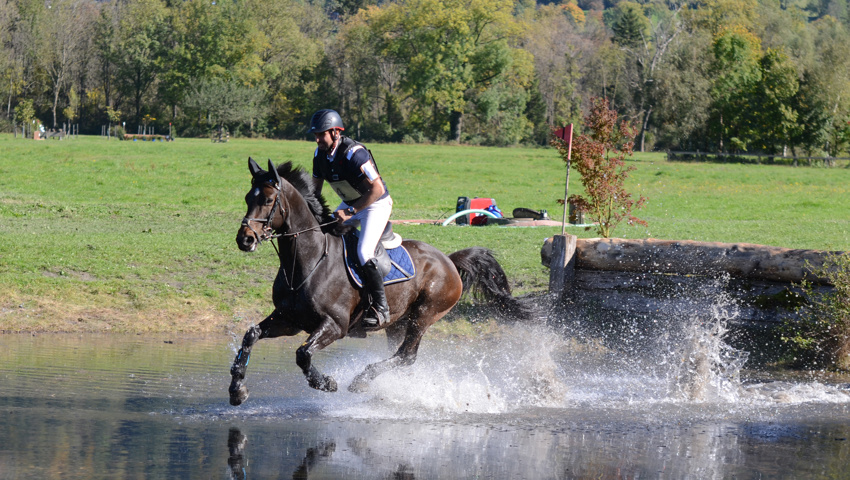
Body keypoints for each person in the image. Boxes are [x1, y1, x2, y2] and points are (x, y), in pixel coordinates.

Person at [309, 109, 393, 329]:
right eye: (316, 135)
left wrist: (350, 212)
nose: (317, 139)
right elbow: (314, 193)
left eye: (321, 134)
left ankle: (381, 307)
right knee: (325, 236)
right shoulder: (320, 155)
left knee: (364, 252)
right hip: (351, 202)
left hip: (375, 204)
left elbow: (377, 189)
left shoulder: (354, 153)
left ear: (336, 132)